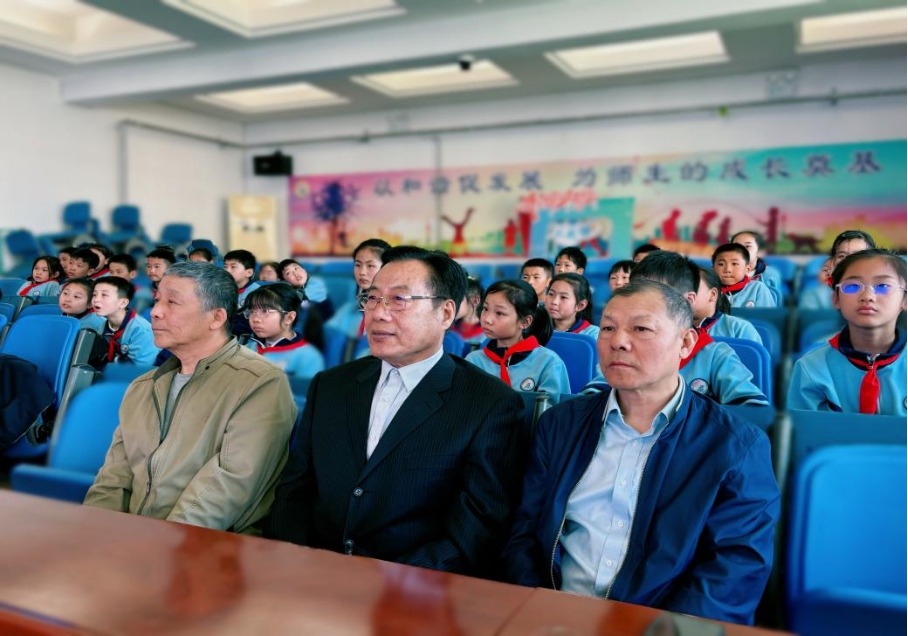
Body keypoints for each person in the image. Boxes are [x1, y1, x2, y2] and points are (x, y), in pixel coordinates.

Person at [501, 280, 780, 625]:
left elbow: (734, 567)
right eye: (608, 328)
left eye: (641, 329)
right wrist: (535, 609)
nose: (618, 341)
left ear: (686, 343)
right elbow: (525, 530)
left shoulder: (735, 446)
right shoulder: (561, 425)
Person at [265, 246, 526, 576]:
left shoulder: (489, 404)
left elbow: (475, 532)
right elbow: (294, 491)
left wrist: (382, 584)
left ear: (446, 313)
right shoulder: (331, 386)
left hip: (412, 589)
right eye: (372, 298)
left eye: (398, 300)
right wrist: (296, 563)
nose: (377, 313)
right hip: (311, 576)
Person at [84, 262, 296, 534]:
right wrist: (95, 533)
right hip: (131, 541)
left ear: (216, 318)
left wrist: (156, 546)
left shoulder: (260, 383)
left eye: (172, 302)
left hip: (204, 547)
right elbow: (113, 477)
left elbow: (226, 487)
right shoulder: (143, 386)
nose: (155, 312)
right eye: (158, 300)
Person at [621, 250, 768, 406]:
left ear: (688, 300)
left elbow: (752, 409)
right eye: (634, 295)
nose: (641, 306)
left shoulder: (715, 355)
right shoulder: (620, 347)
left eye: (654, 296)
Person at [788, 249, 905, 415]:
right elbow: (804, 429)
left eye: (883, 286)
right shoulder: (810, 367)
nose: (867, 296)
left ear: (905, 299)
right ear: (836, 299)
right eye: (852, 286)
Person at [466, 280, 570, 395]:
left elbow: (554, 406)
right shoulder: (473, 361)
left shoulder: (548, 363)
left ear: (525, 322)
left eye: (499, 313)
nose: (487, 319)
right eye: (485, 309)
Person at [244, 283, 324, 380]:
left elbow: (305, 389)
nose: (255, 319)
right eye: (252, 311)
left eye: (265, 311)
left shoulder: (308, 356)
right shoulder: (247, 348)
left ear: (289, 318)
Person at [327, 239, 391, 339]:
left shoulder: (394, 310)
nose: (362, 272)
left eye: (370, 266)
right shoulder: (349, 309)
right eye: (358, 265)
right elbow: (327, 337)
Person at [89, 276, 159, 366]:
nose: (96, 300)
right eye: (94, 295)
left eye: (104, 295)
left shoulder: (142, 331)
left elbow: (139, 369)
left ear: (123, 303)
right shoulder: (100, 327)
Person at [693, 267, 763, 345]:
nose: (685, 295)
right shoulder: (681, 328)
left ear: (713, 294)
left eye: (692, 288)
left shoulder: (740, 329)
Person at [712, 243, 776, 308]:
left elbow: (767, 314)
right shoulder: (709, 291)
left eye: (734, 264)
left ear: (747, 269)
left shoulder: (757, 289)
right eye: (721, 264)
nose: (727, 269)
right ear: (713, 269)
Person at [546, 273, 598, 338]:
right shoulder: (537, 326)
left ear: (580, 305)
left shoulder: (592, 334)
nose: (554, 302)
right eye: (551, 294)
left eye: (563, 297)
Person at [451, 275, 485, 346]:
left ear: (475, 301)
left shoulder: (487, 335)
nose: (450, 304)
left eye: (457, 299)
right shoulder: (447, 329)